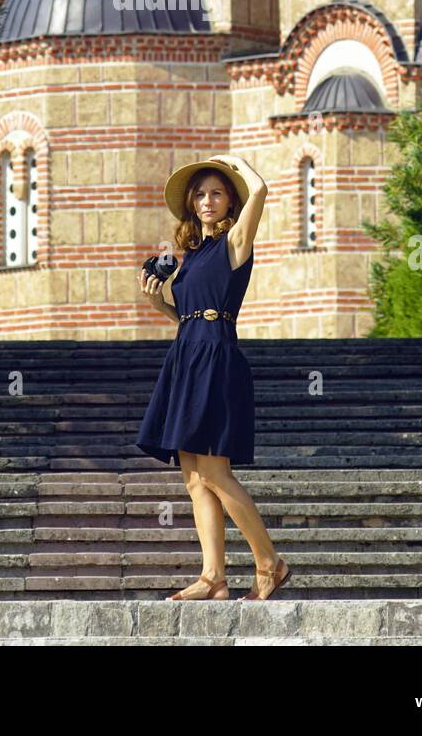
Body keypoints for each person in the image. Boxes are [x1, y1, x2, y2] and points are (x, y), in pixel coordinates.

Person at [135, 153, 291, 602]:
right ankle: (213, 577)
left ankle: (269, 564)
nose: (207, 200)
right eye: (200, 194)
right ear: (191, 202)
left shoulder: (235, 242)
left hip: (218, 358)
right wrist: (158, 304)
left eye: (217, 193)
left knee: (215, 472)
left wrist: (238, 163)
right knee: (193, 477)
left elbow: (259, 191)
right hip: (186, 354)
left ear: (229, 202)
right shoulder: (193, 255)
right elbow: (188, 317)